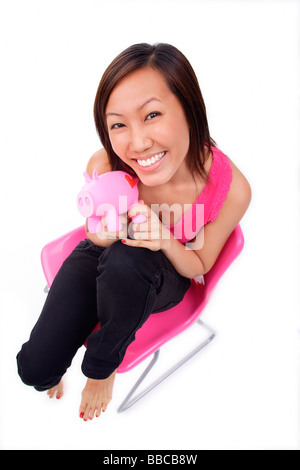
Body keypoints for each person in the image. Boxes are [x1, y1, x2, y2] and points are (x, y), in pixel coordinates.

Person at [17, 43, 251, 421]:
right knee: (34, 370)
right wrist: (106, 233)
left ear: (190, 109)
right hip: (106, 253)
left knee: (130, 259)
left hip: (168, 270)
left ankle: (102, 366)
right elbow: (94, 236)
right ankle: (53, 364)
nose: (137, 143)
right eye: (118, 124)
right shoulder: (106, 163)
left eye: (152, 114)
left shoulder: (231, 187)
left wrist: (162, 238)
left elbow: (197, 268)